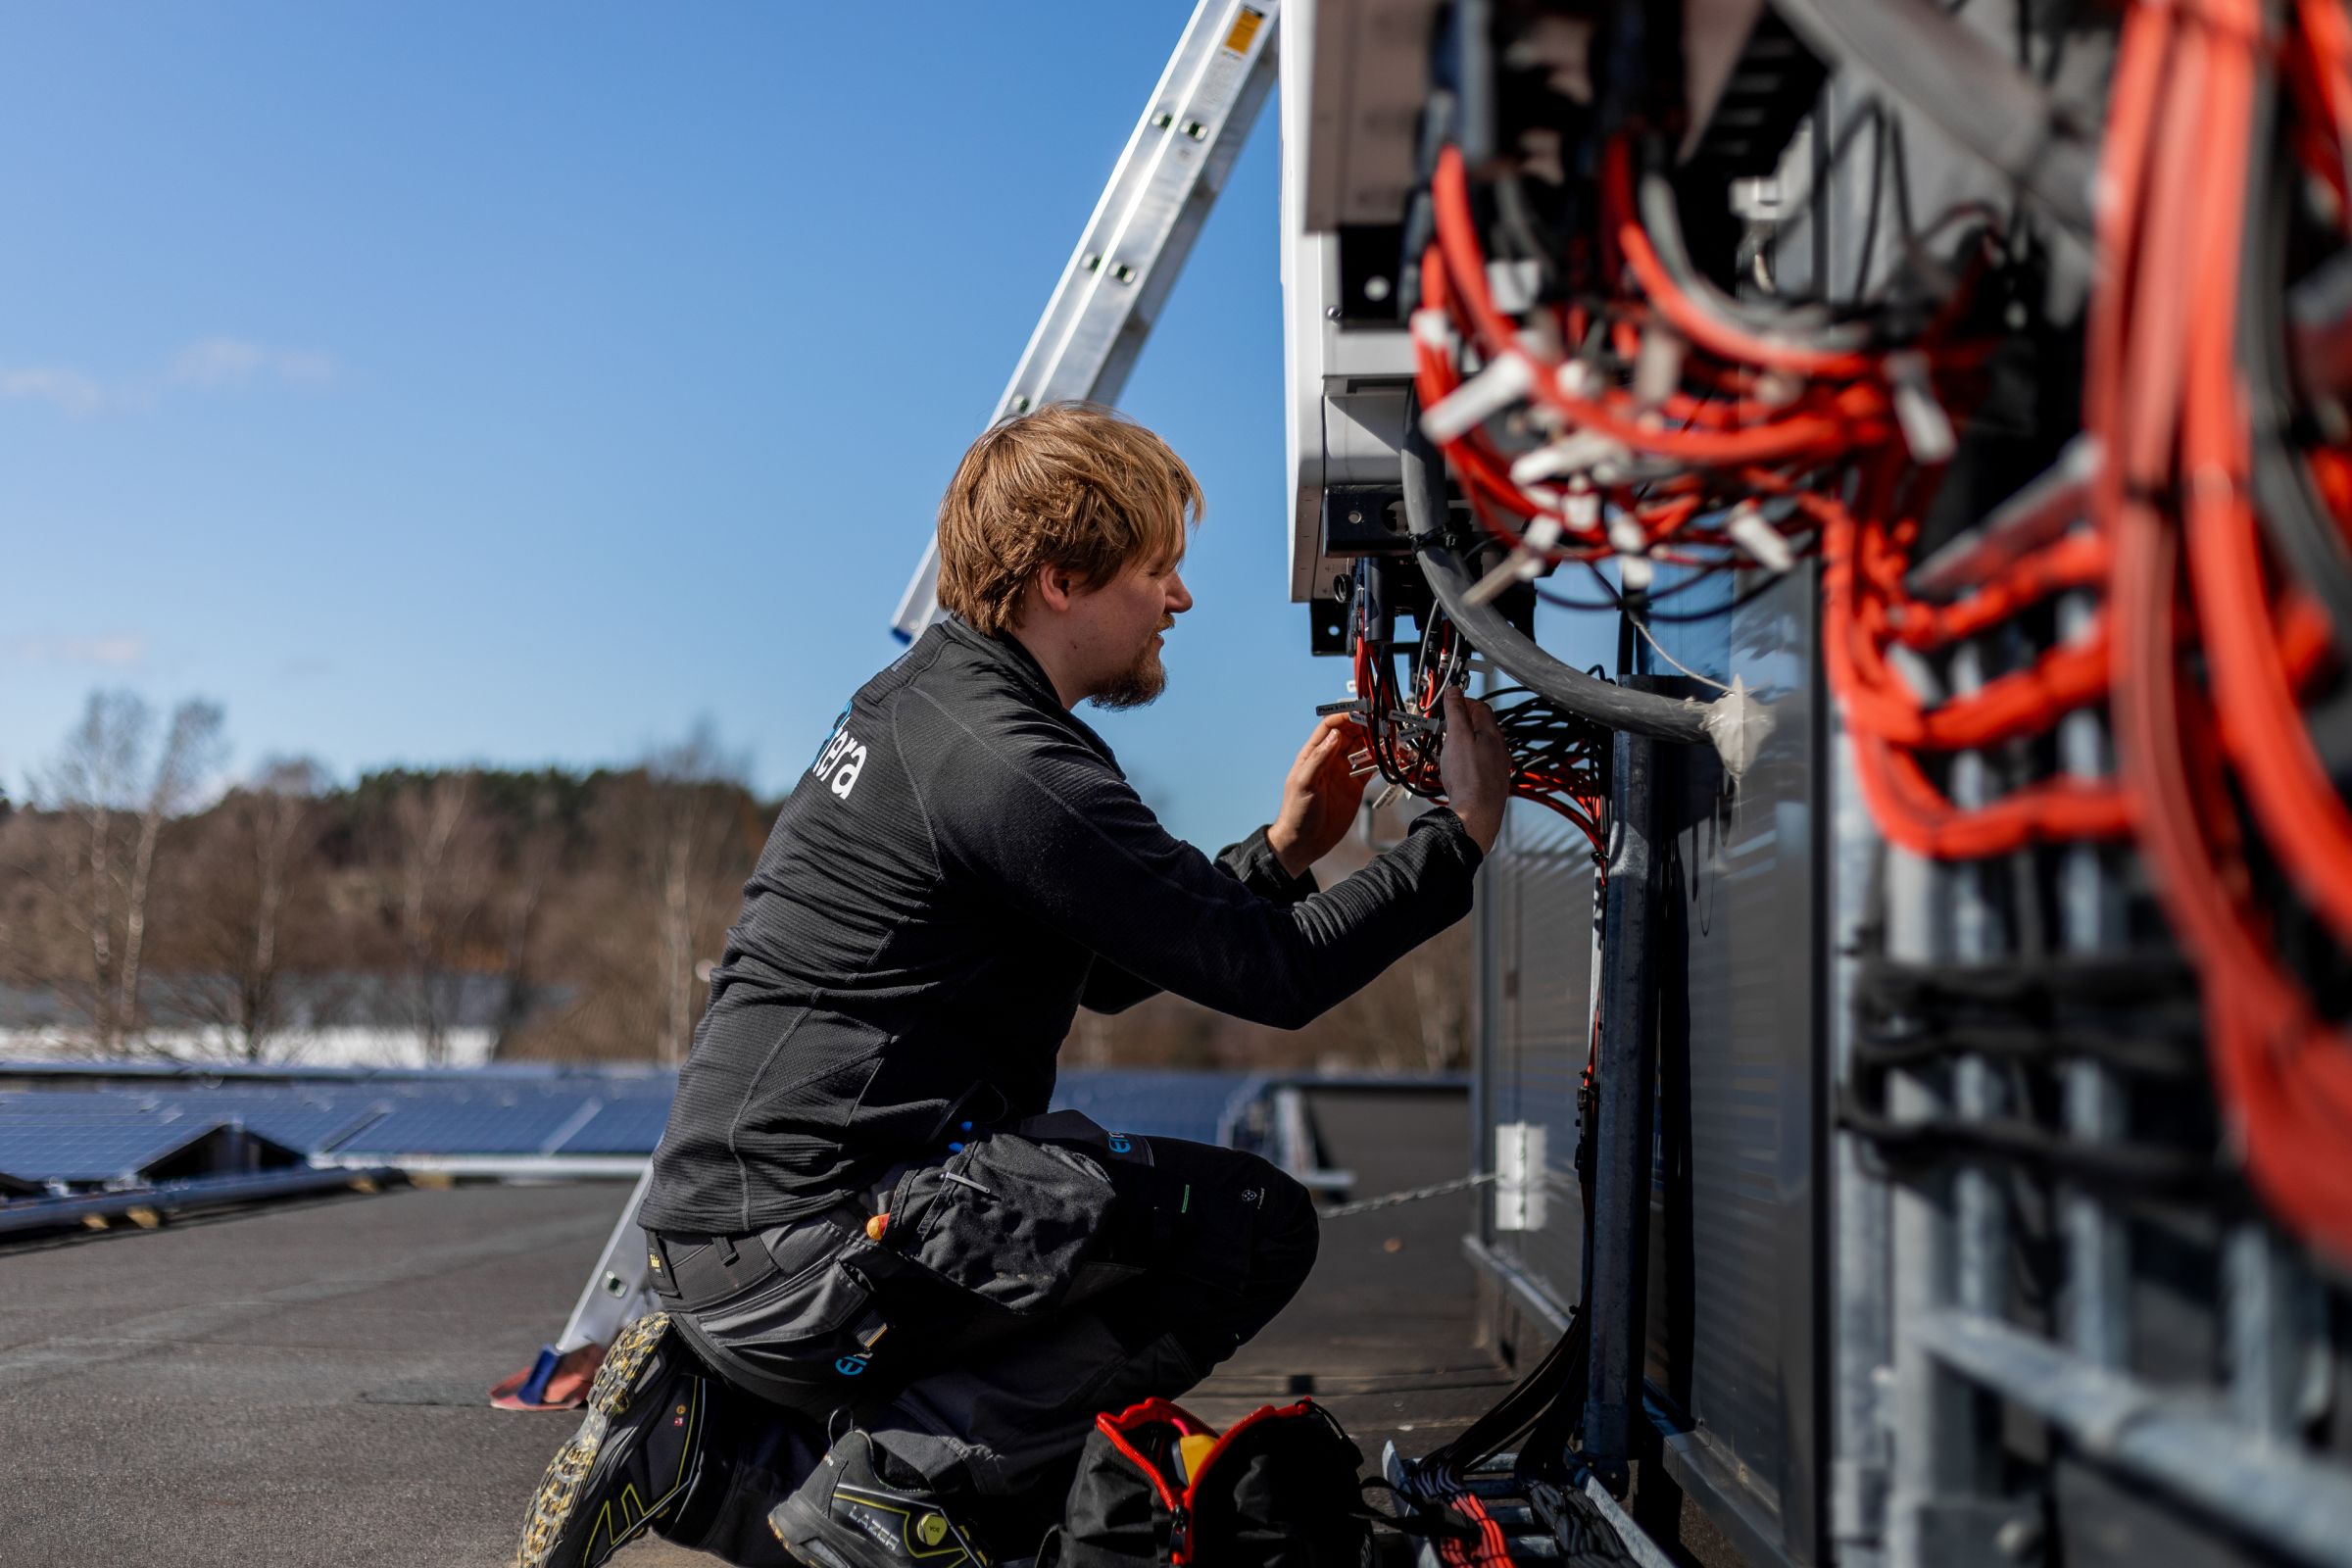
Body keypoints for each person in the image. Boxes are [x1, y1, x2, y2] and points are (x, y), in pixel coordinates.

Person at [514, 403, 1510, 1568]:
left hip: (724, 1254)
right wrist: (1460, 838)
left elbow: (1110, 981)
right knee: (1241, 1229)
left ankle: (708, 1446)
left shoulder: (927, 706)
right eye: (1158, 570)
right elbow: (1275, 975)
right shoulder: (1015, 764)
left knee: (1072, 1227)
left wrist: (1280, 855)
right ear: (1062, 581)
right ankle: (892, 1481)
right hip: (814, 1260)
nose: (1179, 601)